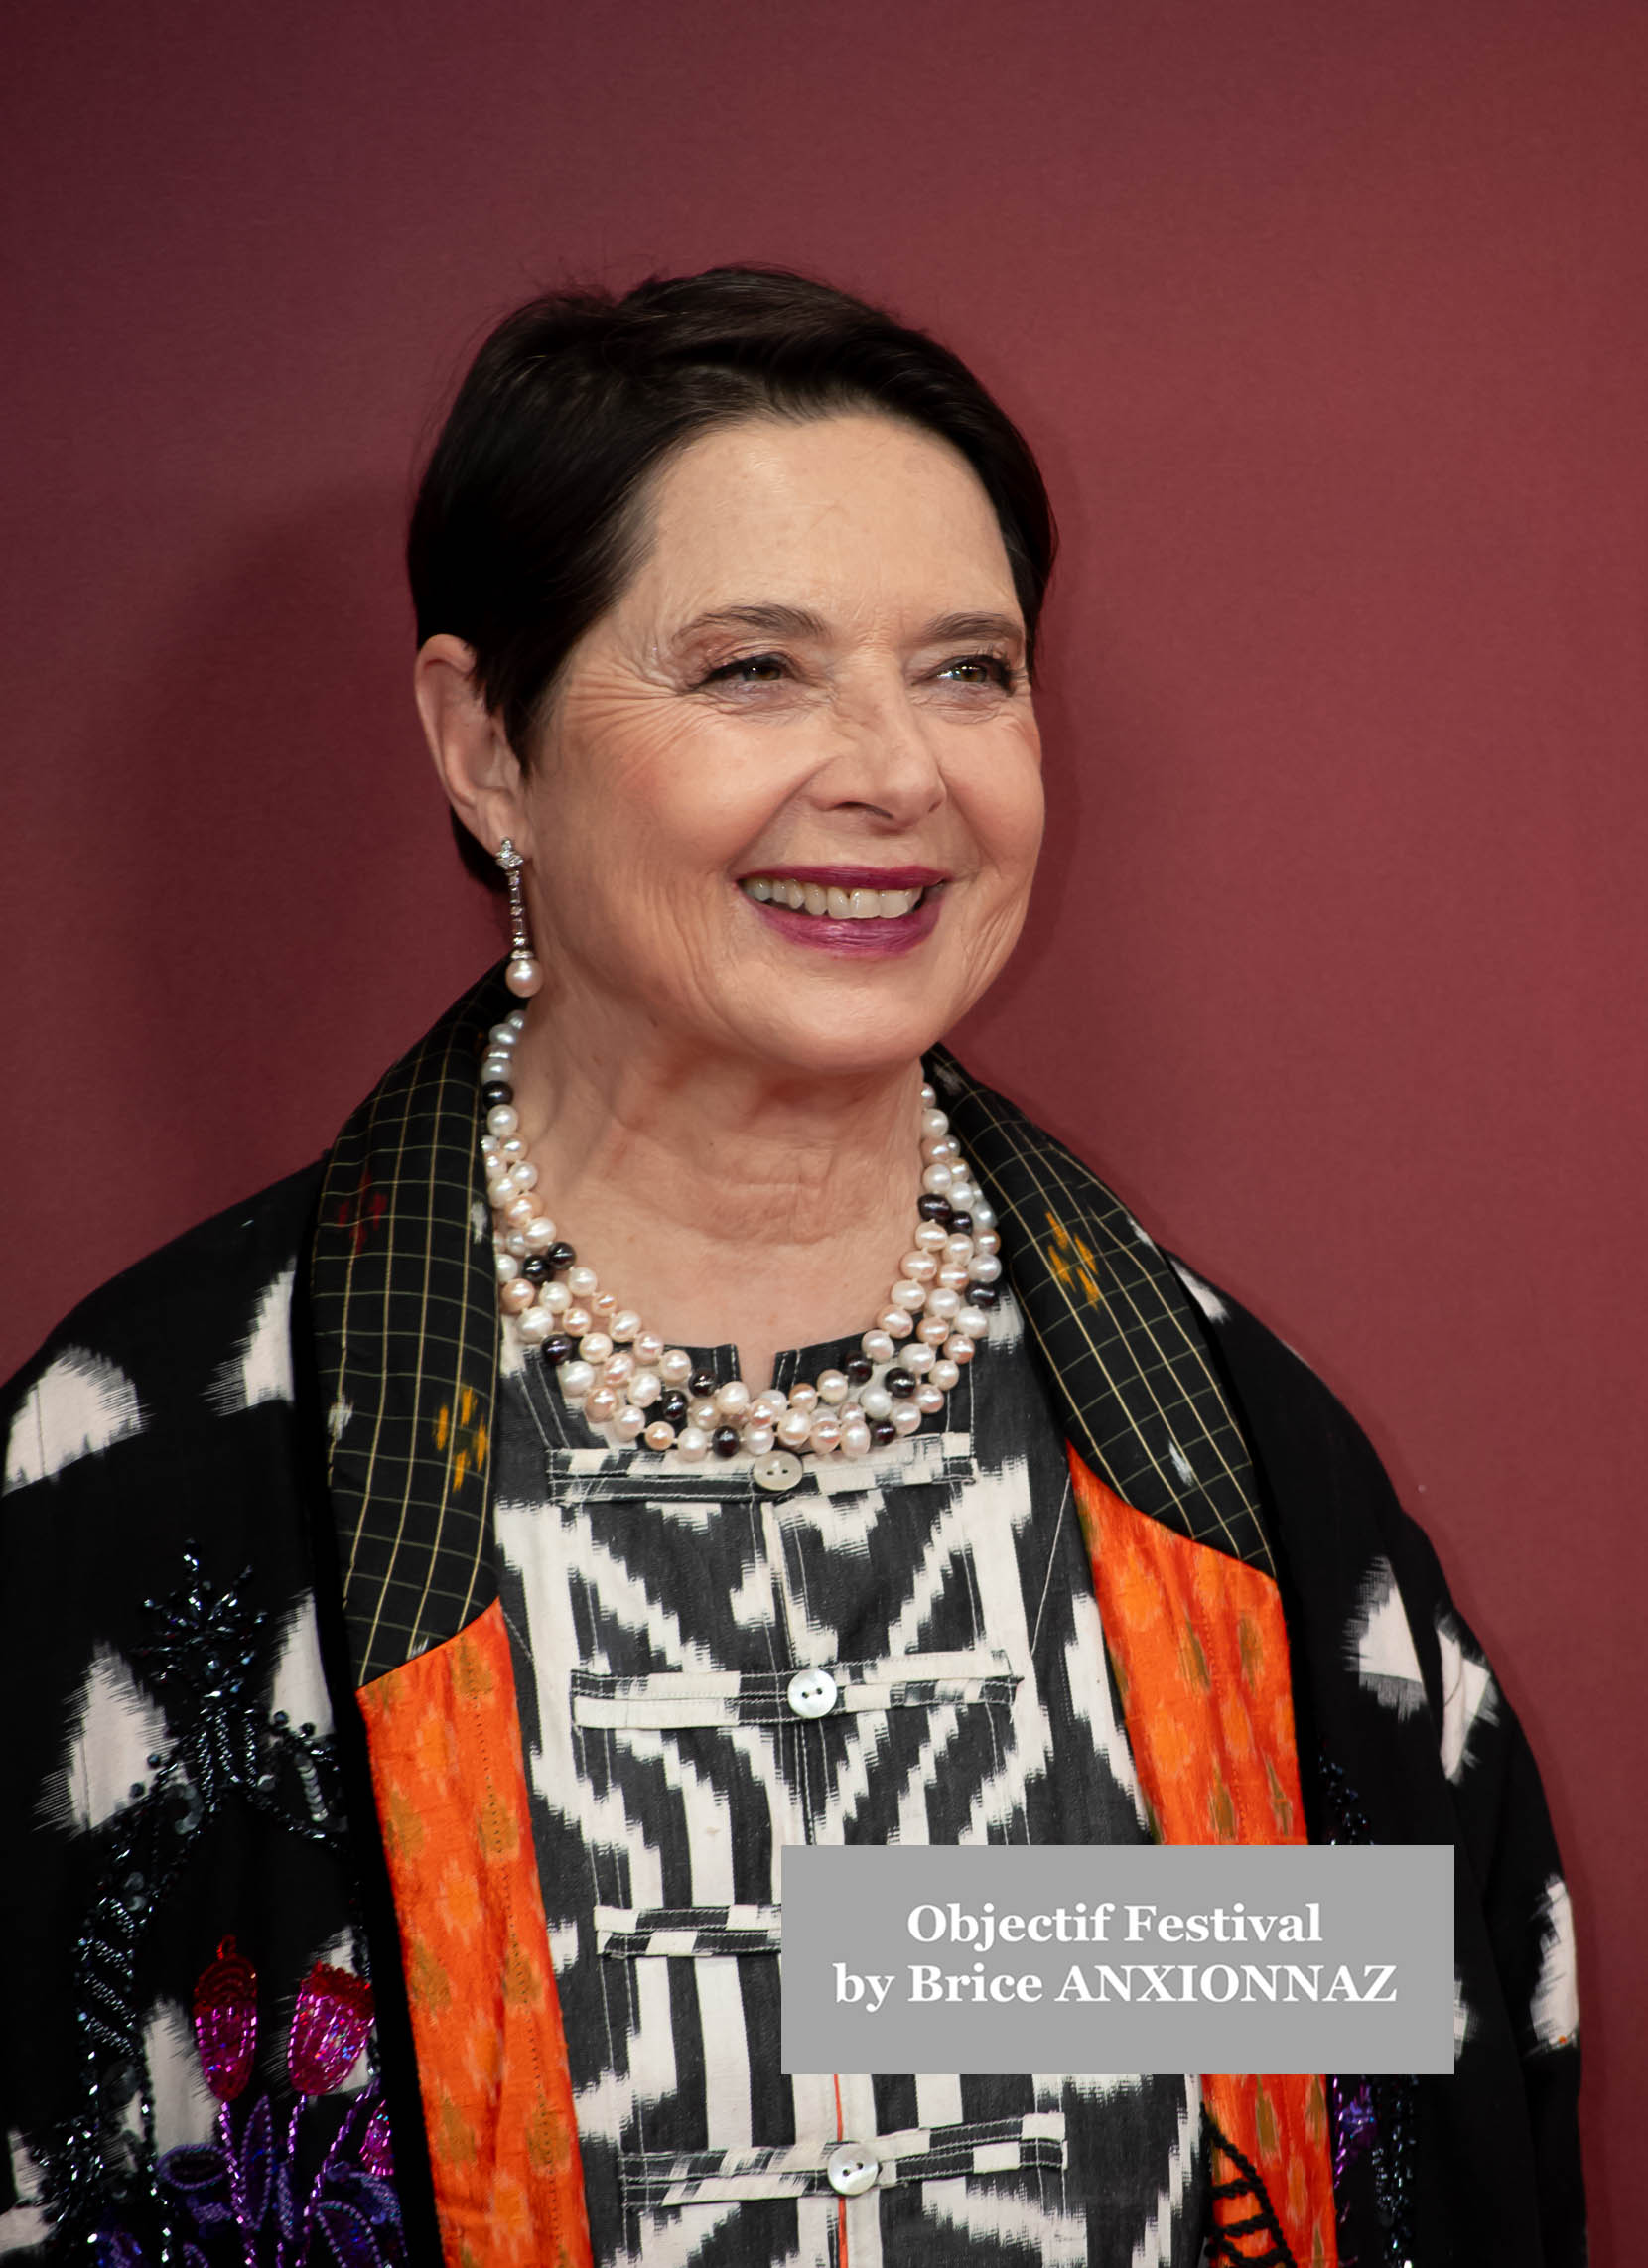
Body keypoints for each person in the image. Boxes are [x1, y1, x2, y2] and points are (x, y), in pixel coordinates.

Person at [0, 268, 1583, 2268]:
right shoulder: (143, 1466)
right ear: (485, 747)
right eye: (755, 668)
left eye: (968, 671)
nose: (895, 772)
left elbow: (1419, 2132)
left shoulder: (1237, 1477)